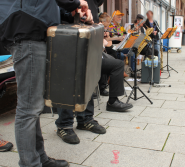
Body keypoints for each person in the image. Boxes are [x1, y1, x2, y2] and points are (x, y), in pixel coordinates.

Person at [0, 0, 93, 166]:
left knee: (33, 106)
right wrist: (76, 3)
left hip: (34, 29)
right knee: (29, 108)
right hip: (28, 30)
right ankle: (30, 163)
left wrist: (69, 13)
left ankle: (39, 158)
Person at [56, 2, 133, 145]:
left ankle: (85, 119)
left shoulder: (93, 3)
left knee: (89, 77)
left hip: (87, 43)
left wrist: (92, 22)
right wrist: (76, 10)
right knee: (67, 80)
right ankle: (64, 124)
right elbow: (58, 11)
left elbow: (91, 23)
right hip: (65, 37)